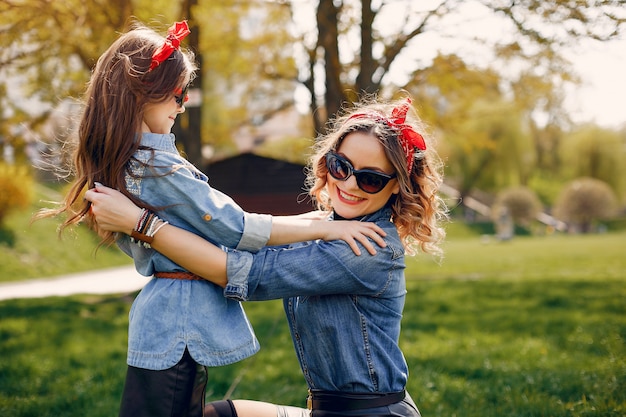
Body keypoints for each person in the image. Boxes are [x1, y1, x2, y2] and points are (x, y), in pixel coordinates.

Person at [36, 20, 386, 417]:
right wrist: (327, 225)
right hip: (177, 325)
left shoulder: (131, 163)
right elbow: (237, 227)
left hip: (167, 322)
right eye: (176, 94)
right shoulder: (157, 167)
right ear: (140, 93)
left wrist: (323, 220)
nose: (182, 105)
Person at [86, 95, 447, 417]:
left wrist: (141, 223)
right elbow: (243, 237)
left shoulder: (368, 246)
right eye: (341, 167)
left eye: (370, 179)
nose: (349, 185)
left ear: (397, 183)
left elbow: (236, 271)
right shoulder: (333, 225)